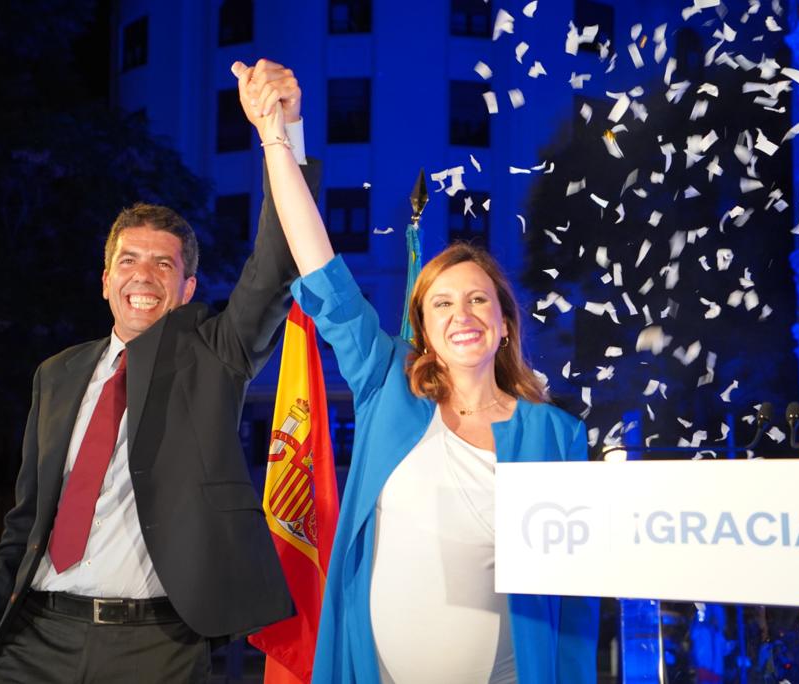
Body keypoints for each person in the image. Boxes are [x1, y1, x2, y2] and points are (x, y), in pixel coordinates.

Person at [0, 59, 321, 684]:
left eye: (164, 265)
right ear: (106, 278)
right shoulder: (55, 375)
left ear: (188, 288)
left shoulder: (214, 352)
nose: (144, 274)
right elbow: (24, 525)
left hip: (158, 648)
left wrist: (283, 134)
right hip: (32, 638)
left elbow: (278, 262)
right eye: (129, 260)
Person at [239, 64, 600, 682]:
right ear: (423, 331)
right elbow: (319, 263)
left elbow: (573, 606)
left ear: (506, 323)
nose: (462, 314)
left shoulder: (555, 435)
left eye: (479, 299)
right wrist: (277, 137)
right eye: (442, 303)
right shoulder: (389, 388)